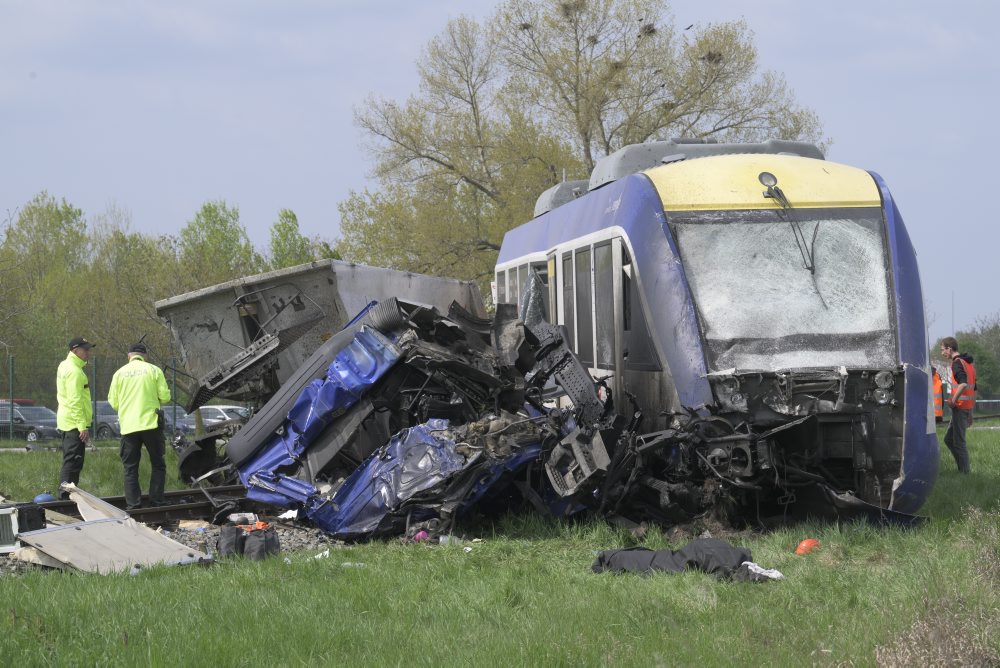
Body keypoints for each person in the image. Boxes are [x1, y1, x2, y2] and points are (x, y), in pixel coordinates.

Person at [107, 342, 171, 509]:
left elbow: (113, 402)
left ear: (129, 356)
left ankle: (133, 505)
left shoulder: (119, 374)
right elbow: (165, 397)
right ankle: (156, 501)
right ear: (145, 356)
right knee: (158, 464)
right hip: (151, 425)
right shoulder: (154, 370)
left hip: (129, 427)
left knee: (130, 468)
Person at [56, 336, 96, 498]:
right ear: (75, 350)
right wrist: (82, 426)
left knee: (71, 460)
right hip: (74, 423)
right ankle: (65, 497)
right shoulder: (74, 371)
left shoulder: (64, 365)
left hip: (66, 420)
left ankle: (67, 496)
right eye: (85, 349)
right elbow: (75, 400)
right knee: (73, 462)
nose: (88, 353)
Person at [940, 336, 975, 474]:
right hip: (965, 408)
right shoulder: (968, 364)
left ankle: (965, 473)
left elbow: (964, 384)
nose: (942, 353)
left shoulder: (957, 363)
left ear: (949, 349)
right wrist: (971, 412)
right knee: (948, 439)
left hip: (960, 407)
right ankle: (962, 469)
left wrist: (953, 400)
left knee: (959, 443)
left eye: (943, 350)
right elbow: (974, 389)